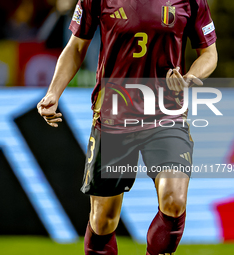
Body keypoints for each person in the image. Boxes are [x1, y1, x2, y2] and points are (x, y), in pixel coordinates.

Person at [37, 0, 218, 254]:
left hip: (166, 114)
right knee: (103, 220)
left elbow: (209, 53)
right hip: (114, 115)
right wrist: (53, 93)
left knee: (174, 200)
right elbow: (76, 47)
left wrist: (190, 77)